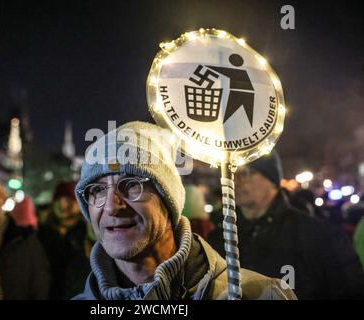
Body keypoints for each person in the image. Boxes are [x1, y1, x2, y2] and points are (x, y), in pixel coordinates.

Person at [73, 121, 296, 300]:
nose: (112, 206)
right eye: (97, 190)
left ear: (168, 198)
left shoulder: (260, 294)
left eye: (132, 184)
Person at [207, 151, 364, 299]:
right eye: (232, 173)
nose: (235, 181)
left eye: (246, 173)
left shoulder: (319, 236)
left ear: (273, 180)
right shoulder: (219, 237)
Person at [37, 181, 91, 299]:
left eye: (68, 200)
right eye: (59, 200)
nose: (63, 205)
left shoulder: (87, 232)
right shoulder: (42, 233)